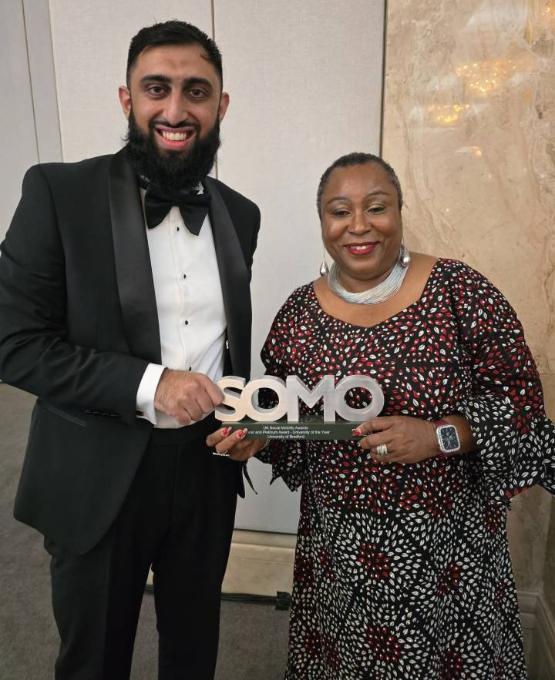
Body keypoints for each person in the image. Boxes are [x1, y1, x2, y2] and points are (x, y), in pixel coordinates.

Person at [208, 152, 555, 679]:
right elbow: (289, 418)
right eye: (339, 211)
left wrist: (440, 434)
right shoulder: (300, 314)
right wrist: (261, 439)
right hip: (339, 549)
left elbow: (521, 404)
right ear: (322, 221)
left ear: (399, 209)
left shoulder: (460, 292)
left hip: (446, 549)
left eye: (377, 207)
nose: (359, 226)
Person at [0, 20, 260, 680]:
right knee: (94, 660)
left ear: (220, 105)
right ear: (127, 99)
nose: (176, 109)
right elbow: (14, 342)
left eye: (195, 91)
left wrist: (244, 413)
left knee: (193, 645)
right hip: (98, 470)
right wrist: (149, 383)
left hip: (204, 471)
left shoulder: (240, 212)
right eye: (157, 88)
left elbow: (219, 340)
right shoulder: (57, 193)